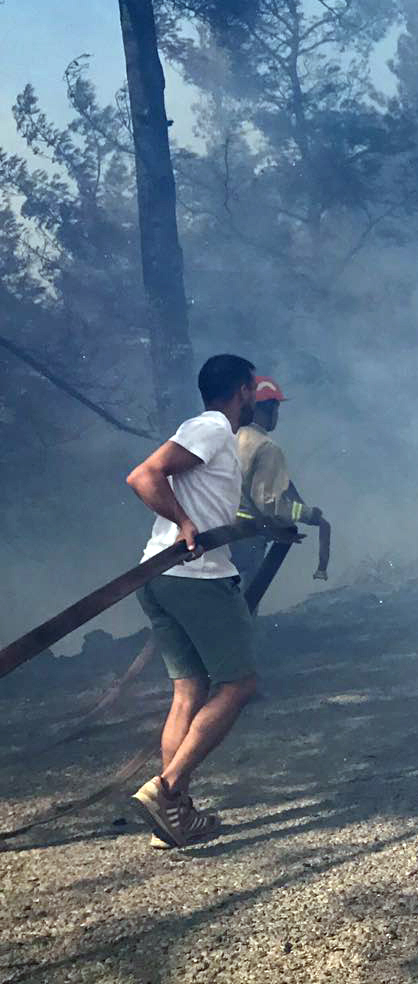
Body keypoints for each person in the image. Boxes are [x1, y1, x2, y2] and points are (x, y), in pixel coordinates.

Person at [124, 353, 258, 848]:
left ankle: (173, 818)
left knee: (188, 690)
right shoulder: (213, 428)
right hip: (196, 577)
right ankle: (168, 789)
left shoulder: (209, 433)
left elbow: (198, 497)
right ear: (243, 390)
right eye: (253, 389)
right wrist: (184, 523)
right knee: (240, 683)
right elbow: (144, 476)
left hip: (160, 576)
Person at [232, 375, 324, 608]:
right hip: (247, 538)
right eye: (276, 407)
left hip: (220, 535)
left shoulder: (229, 437)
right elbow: (268, 505)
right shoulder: (265, 447)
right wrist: (306, 513)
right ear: (268, 408)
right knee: (244, 606)